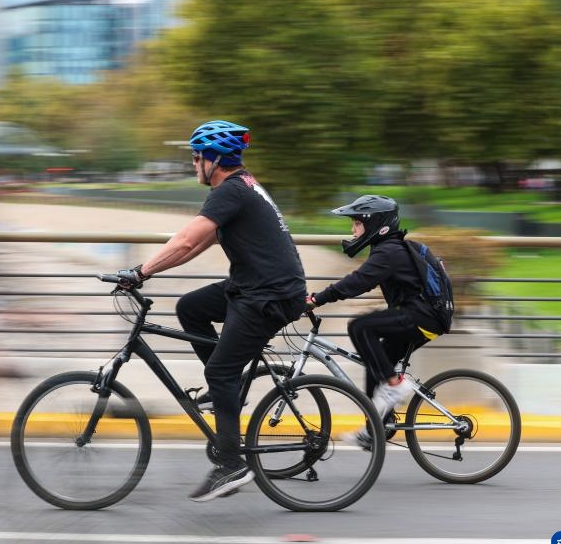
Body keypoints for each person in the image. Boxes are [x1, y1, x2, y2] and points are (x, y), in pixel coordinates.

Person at [117, 120, 307, 502]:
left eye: (197, 157)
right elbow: (195, 244)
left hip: (268, 296)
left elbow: (186, 238)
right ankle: (232, 388)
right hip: (252, 288)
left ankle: (232, 465)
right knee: (190, 307)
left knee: (220, 369)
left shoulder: (231, 190)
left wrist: (140, 272)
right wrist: (151, 271)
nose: (193, 164)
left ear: (215, 159)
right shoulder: (241, 187)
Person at [305, 194, 447, 448]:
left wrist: (317, 298)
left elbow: (358, 282)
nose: (353, 229)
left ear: (376, 225)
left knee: (359, 327)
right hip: (422, 316)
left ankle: (394, 386)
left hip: (422, 316)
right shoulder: (388, 249)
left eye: (357, 223)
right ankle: (376, 427)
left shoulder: (389, 252)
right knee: (376, 362)